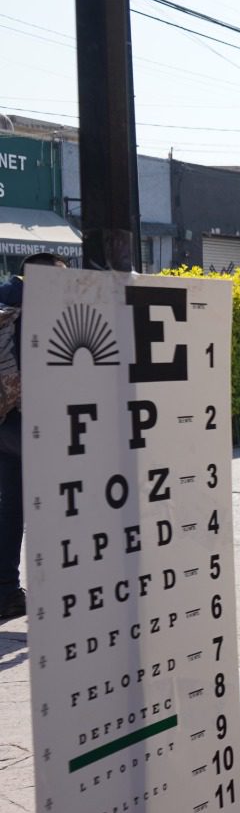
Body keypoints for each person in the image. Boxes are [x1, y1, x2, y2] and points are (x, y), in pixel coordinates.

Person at [0, 252, 67, 622]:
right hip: (33, 426)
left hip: (3, 423)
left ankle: (6, 591)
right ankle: (62, 593)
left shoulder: (4, 298)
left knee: (12, 506)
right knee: (63, 504)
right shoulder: (40, 309)